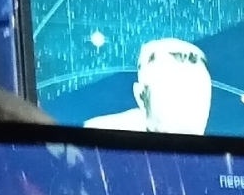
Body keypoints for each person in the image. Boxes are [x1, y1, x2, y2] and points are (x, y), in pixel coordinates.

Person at [84, 37, 214, 134]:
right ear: (141, 97)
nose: (188, 113)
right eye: (174, 98)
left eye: (198, 99)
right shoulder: (98, 137)